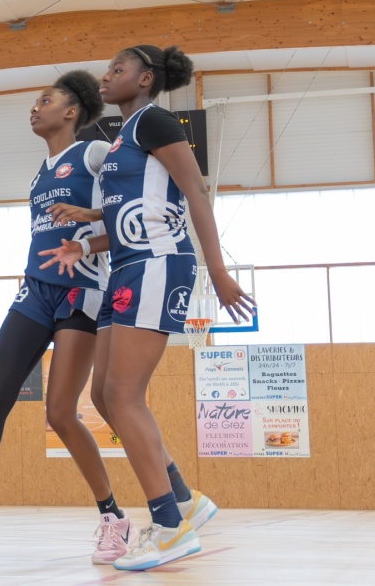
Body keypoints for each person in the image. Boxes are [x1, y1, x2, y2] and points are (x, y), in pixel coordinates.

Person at [42, 46, 251, 572]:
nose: (106, 75)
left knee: (122, 394)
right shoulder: (121, 137)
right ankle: (182, 498)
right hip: (127, 265)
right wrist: (85, 242)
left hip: (159, 263)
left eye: (118, 69)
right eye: (107, 69)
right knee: (103, 395)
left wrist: (217, 270)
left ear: (145, 78)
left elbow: (193, 191)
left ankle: (168, 526)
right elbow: (132, 214)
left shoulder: (155, 121)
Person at [0, 71, 128, 560]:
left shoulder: (94, 153)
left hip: (82, 290)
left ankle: (113, 517)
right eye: (35, 102)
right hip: (34, 290)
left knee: (60, 413)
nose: (35, 108)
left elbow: (132, 205)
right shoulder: (40, 173)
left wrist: (91, 221)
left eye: (45, 101)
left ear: (71, 111)